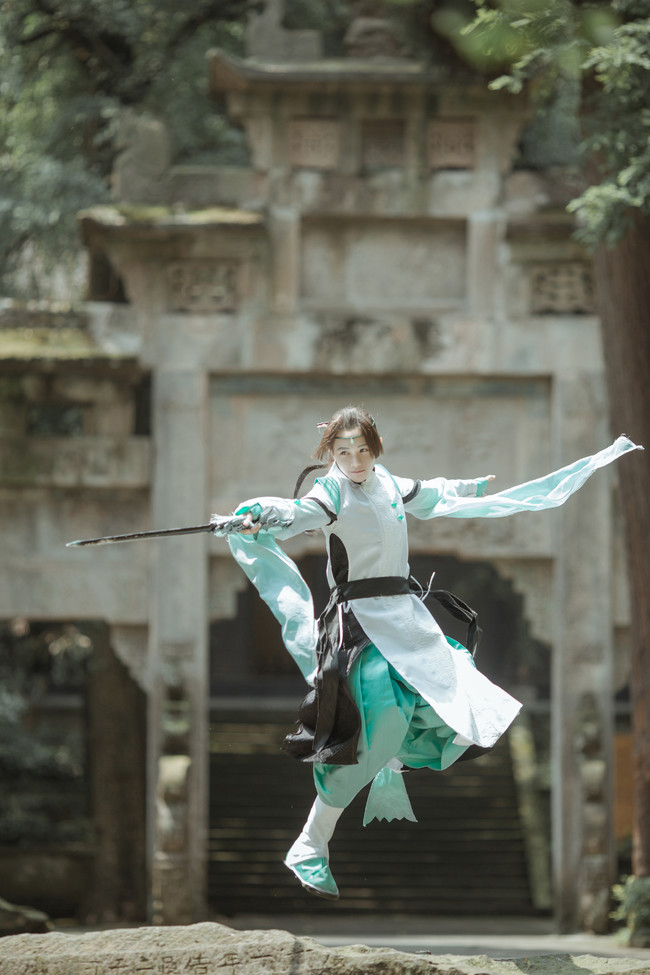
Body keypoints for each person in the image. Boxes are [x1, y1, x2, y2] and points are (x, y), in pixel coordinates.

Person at [216, 405, 641, 901]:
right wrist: (260, 516)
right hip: (360, 625)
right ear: (331, 453)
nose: (355, 461)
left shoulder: (389, 483)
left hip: (407, 618)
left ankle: (387, 764)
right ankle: (312, 841)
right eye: (344, 452)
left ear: (375, 448)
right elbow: (296, 513)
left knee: (458, 701)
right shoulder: (330, 492)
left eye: (362, 450)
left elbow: (432, 493)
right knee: (383, 716)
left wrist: (470, 487)